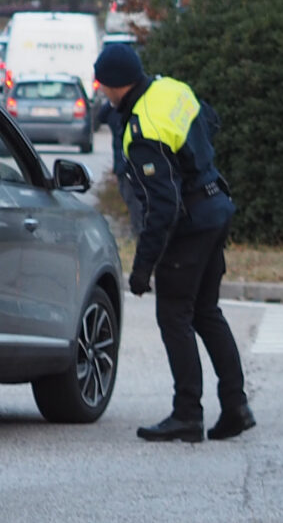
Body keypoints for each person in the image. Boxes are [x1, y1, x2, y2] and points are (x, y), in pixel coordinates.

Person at [92, 40, 253, 443]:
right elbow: (210, 122)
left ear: (115, 84)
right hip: (216, 206)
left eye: (102, 85)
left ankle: (187, 414)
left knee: (174, 316)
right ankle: (236, 406)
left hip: (191, 225)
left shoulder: (143, 128)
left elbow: (162, 207)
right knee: (206, 312)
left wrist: (143, 268)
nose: (102, 92)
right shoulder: (171, 88)